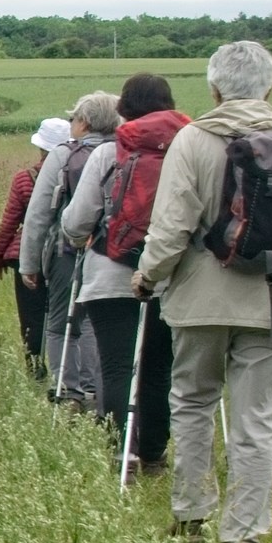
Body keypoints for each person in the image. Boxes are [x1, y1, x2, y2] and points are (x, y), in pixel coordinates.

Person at [135, 40, 272, 543]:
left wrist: (147, 277)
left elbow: (171, 226)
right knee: (257, 418)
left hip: (199, 297)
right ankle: (243, 533)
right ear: (270, 88)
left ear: (214, 88)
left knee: (193, 403)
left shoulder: (192, 140)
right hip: (271, 301)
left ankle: (191, 515)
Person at [59, 74, 184, 474]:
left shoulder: (107, 153)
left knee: (116, 367)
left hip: (110, 274)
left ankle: (118, 452)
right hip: (170, 277)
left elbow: (77, 221)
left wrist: (79, 236)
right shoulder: (188, 150)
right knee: (157, 369)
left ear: (124, 110)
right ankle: (152, 454)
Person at [20, 91, 117, 409]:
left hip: (65, 251)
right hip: (111, 254)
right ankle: (93, 390)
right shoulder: (124, 152)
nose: (71, 124)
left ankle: (67, 391)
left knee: (61, 322)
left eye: (73, 119)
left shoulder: (63, 155)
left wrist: (28, 264)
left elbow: (38, 215)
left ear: (85, 123)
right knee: (92, 322)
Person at [0, 117, 68, 377]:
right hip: (65, 253)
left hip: (26, 254)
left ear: (41, 148)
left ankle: (35, 368)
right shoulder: (78, 175)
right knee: (62, 315)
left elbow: (9, 223)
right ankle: (65, 372)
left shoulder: (24, 179)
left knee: (31, 317)